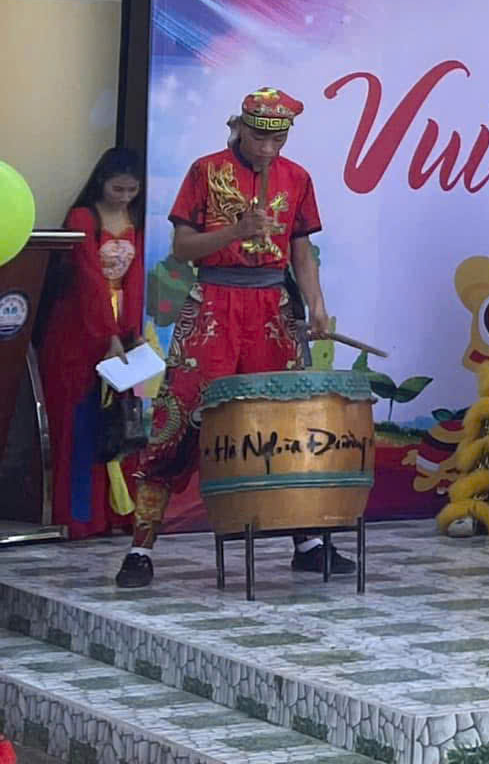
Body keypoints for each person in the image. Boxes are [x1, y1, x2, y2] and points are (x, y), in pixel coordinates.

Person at [116, 89, 339, 589]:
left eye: (278, 140)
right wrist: (236, 231)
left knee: (286, 419)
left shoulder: (298, 177)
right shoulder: (205, 171)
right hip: (214, 301)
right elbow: (182, 247)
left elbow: (301, 250)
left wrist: (317, 306)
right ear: (240, 127)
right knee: (178, 420)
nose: (268, 149)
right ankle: (140, 548)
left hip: (272, 307)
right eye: (259, 137)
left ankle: (307, 543)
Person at [38, 147, 146, 538]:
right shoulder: (83, 218)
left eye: (131, 190)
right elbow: (89, 280)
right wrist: (108, 335)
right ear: (101, 182)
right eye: (118, 189)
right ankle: (81, 517)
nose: (124, 197)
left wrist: (131, 332)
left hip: (118, 325)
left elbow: (135, 279)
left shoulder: (134, 218)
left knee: (117, 422)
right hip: (77, 329)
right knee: (80, 421)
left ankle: (117, 512)